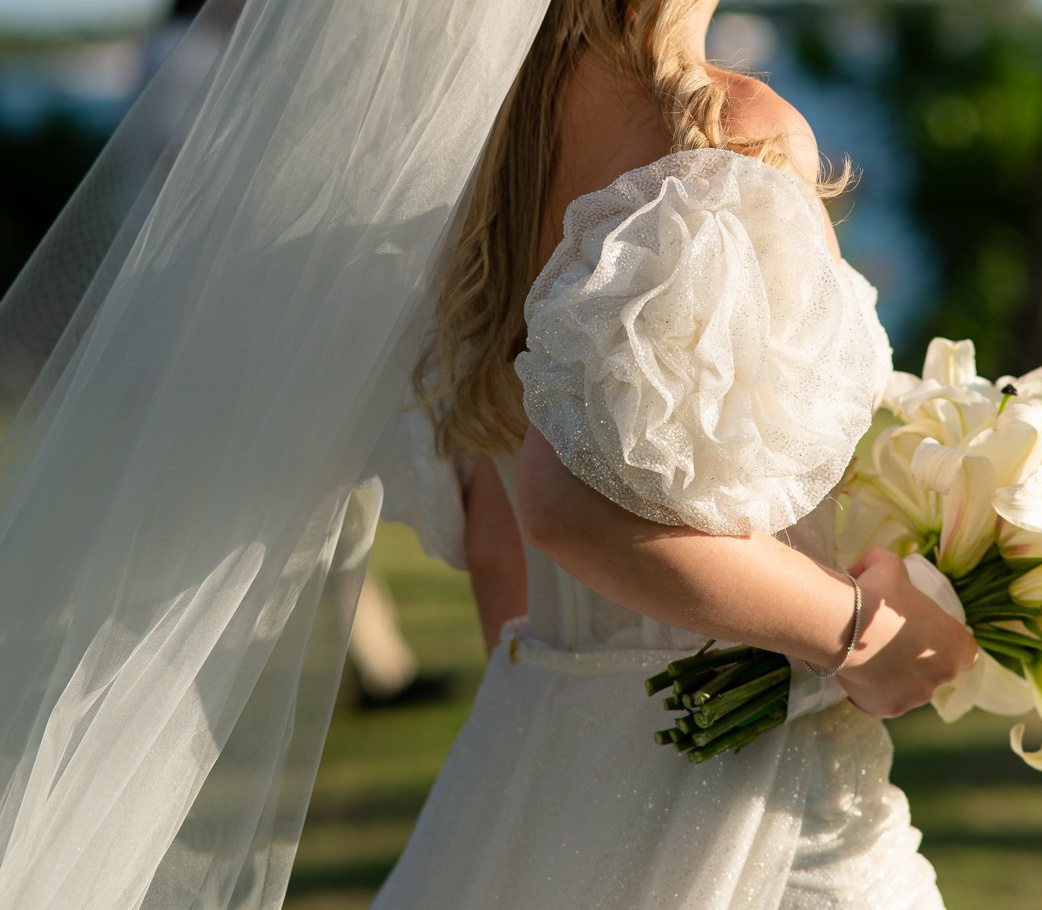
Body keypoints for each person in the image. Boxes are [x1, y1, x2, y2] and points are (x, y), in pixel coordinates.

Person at [0, 1, 974, 907]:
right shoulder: (730, 130)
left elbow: (500, 531)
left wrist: (567, 728)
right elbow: (564, 507)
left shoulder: (485, 151)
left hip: (527, 755)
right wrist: (866, 634)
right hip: (742, 787)